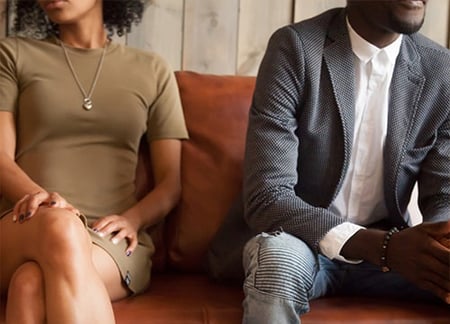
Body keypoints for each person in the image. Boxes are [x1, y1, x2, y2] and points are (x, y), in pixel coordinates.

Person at [207, 0, 450, 323]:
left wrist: (442, 244)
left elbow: (444, 194)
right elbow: (267, 197)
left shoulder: (440, 69)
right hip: (301, 242)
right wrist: (384, 247)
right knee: (278, 262)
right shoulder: (296, 48)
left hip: (390, 258)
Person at [0, 0, 188, 323]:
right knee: (60, 225)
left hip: (110, 241)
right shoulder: (12, 56)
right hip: (24, 222)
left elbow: (171, 184)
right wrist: (43, 200)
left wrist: (133, 219)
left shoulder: (152, 70)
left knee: (29, 285)